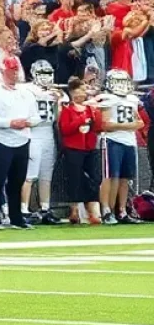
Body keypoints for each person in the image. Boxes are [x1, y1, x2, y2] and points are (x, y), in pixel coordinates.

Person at [0, 55, 41, 230]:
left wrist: (29, 122)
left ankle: (16, 218)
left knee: (17, 180)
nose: (14, 75)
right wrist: (9, 123)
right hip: (1, 140)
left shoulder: (26, 93)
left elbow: (36, 115)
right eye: (10, 71)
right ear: (3, 72)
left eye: (16, 71)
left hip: (22, 139)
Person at [93, 68, 144, 224]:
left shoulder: (132, 99)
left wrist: (124, 125)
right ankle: (107, 210)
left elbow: (140, 122)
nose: (121, 85)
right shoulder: (107, 98)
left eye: (123, 82)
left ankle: (121, 211)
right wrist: (129, 126)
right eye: (117, 82)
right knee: (110, 177)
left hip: (129, 141)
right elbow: (106, 125)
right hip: (112, 141)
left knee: (125, 179)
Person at [20, 59, 65, 224]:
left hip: (47, 133)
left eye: (48, 74)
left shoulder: (55, 91)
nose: (46, 78)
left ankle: (45, 208)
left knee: (46, 174)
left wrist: (58, 103)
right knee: (30, 174)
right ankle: (23, 210)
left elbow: (57, 120)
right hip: (33, 133)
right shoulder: (26, 89)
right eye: (42, 74)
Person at [59, 75, 104, 225]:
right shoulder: (67, 110)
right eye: (79, 90)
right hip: (73, 148)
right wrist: (80, 120)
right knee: (74, 179)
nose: (82, 94)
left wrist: (96, 115)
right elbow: (65, 129)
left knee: (93, 179)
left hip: (90, 147)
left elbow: (97, 128)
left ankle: (94, 211)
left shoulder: (90, 109)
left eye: (83, 90)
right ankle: (74, 210)